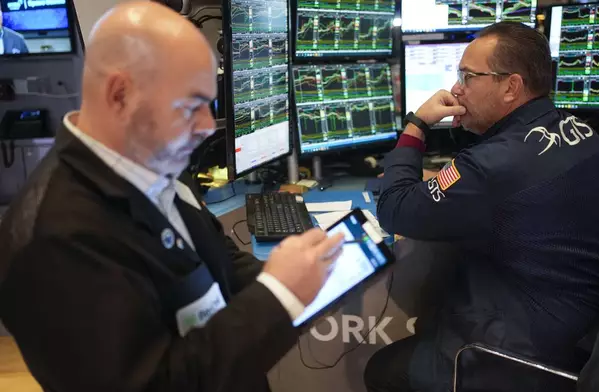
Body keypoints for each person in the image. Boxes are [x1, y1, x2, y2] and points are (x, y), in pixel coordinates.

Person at [0, 3, 344, 392]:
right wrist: (278, 297)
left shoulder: (153, 156)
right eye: (190, 105)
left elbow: (212, 258)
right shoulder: (54, 239)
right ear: (120, 94)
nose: (205, 128)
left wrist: (298, 279)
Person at [365, 22, 599, 391]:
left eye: (468, 77)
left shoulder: (492, 166)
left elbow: (395, 208)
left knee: (383, 370)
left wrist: (417, 125)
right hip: (590, 328)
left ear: (511, 87)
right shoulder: (581, 132)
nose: (457, 88)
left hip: (526, 351)